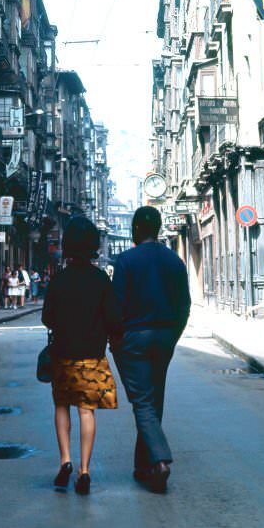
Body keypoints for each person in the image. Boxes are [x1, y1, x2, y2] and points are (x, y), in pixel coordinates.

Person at [112, 205, 190, 494]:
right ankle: (142, 465)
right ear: (158, 229)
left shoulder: (126, 261)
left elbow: (115, 306)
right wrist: (173, 335)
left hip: (134, 339)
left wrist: (116, 341)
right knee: (154, 400)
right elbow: (184, 305)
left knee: (143, 402)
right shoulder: (174, 261)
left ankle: (159, 461)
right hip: (165, 336)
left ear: (135, 230)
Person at [42, 217, 123, 496]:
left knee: (61, 406)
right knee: (86, 411)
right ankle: (84, 470)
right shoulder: (100, 279)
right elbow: (114, 318)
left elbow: (47, 318)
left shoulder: (58, 280)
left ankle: (65, 460)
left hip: (63, 354)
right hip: (92, 356)